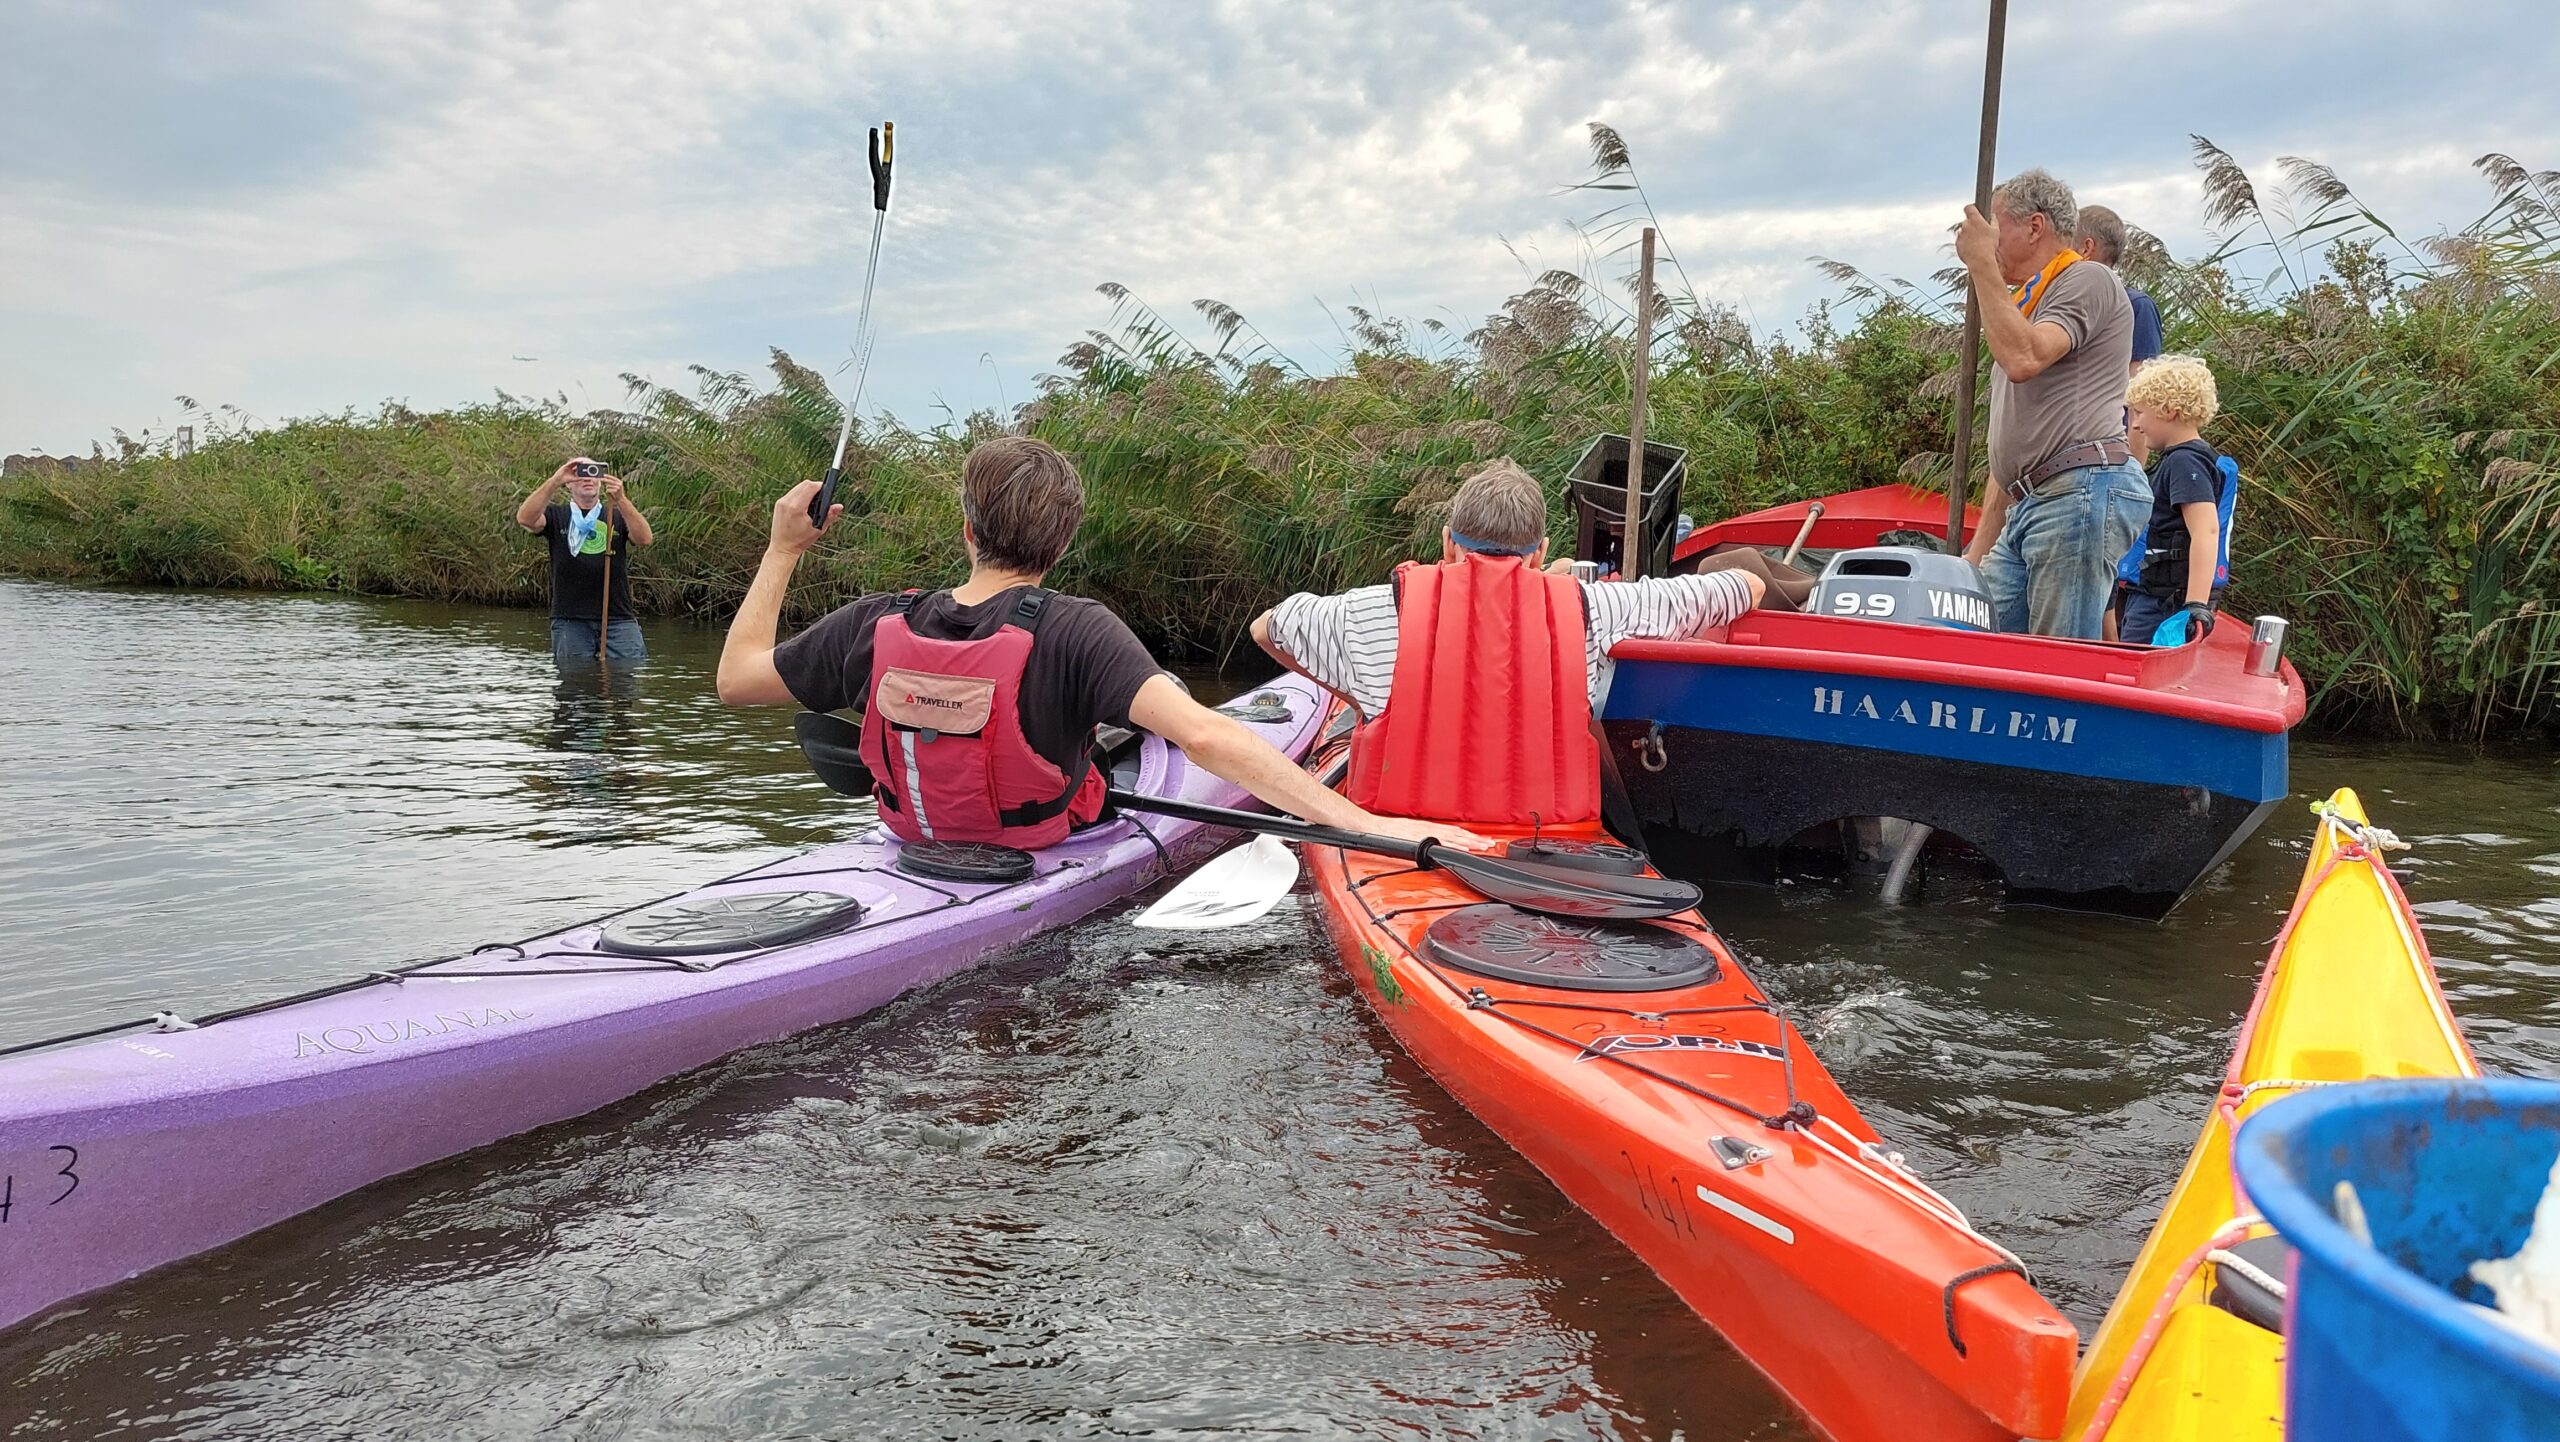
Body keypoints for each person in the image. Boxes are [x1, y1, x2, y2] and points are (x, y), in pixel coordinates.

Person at [715, 435, 1470, 850]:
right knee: (1155, 707)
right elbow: (1208, 739)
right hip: (1037, 838)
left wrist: (784, 550)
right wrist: (1368, 823)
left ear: (968, 530)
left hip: (917, 837)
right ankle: (1141, 704)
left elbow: (736, 680)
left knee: (1121, 707)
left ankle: (1132, 708)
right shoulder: (1077, 627)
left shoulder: (873, 624)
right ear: (1063, 542)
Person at [1249, 459, 1764, 827]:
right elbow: (1743, 588)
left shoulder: (1367, 612)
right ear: (1539, 553)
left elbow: (1267, 627)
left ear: (1448, 541)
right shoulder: (1599, 608)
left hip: (1402, 844)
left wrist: (1352, 691)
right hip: (1547, 847)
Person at [1954, 168, 2153, 639]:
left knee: (2058, 663)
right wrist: (1981, 545)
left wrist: (1981, 265)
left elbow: (2025, 357)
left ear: (2034, 227)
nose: (1987, 239)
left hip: (2078, 491)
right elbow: (2022, 437)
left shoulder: (2090, 279)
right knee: (1980, 640)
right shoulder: (2027, 300)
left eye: (1995, 226)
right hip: (2035, 499)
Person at [2117, 356, 2236, 646]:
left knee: (2135, 663)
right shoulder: (2187, 459)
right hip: (2156, 593)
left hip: (2164, 602)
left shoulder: (2184, 463)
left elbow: (2206, 530)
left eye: (2140, 413)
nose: (2136, 426)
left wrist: (2196, 603)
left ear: (2169, 411)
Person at [516, 457, 654, 665]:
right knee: (575, 685)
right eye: (580, 473)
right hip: (570, 620)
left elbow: (644, 539)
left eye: (594, 473)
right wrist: (555, 480)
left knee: (625, 682)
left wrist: (621, 499)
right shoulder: (556, 516)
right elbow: (525, 519)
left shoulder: (615, 515)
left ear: (601, 480)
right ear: (569, 483)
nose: (588, 479)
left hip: (617, 617)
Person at [2074, 205, 2163, 374]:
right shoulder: (2065, 304)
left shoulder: (2136, 305)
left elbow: (2141, 380)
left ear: (2086, 249)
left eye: (2066, 247)